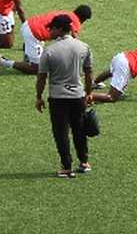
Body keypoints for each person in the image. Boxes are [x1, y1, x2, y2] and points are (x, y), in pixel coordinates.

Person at [34, 14, 94, 178]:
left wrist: (39, 97)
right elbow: (89, 72)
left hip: (58, 98)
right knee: (79, 130)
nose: (50, 31)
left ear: (60, 29)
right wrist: (89, 93)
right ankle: (84, 162)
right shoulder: (83, 47)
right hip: (78, 96)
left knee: (61, 132)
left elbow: (42, 77)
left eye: (52, 28)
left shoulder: (49, 51)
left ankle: (67, 167)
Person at [0, 5, 92, 75]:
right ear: (84, 19)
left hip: (29, 25)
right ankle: (2, 61)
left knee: (42, 55)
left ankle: (28, 56)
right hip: (33, 33)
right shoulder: (75, 22)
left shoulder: (67, 13)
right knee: (36, 69)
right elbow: (73, 45)